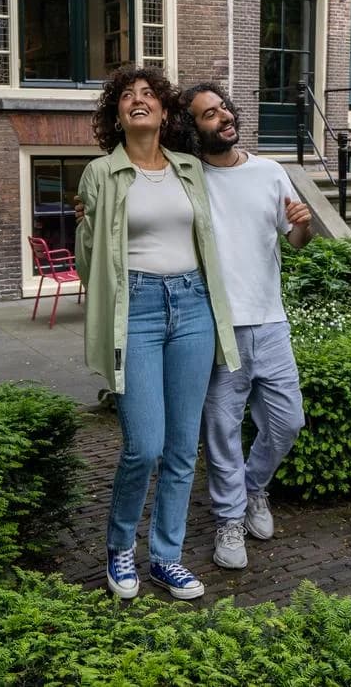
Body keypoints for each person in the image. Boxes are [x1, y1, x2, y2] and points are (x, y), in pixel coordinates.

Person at [75, 65, 238, 601]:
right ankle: (120, 546)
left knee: (180, 447)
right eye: (127, 96)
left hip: (192, 306)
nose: (138, 101)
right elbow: (88, 260)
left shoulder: (190, 168)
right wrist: (85, 224)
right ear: (117, 115)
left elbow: (224, 214)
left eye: (149, 95)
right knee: (142, 447)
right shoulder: (100, 174)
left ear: (165, 112)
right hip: (137, 309)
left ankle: (166, 557)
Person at [178, 83, 313, 571]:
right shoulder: (188, 179)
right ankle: (229, 518)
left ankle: (254, 488)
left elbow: (296, 240)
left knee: (287, 422)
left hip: (271, 322)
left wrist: (303, 221)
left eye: (224, 108)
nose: (223, 117)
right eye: (209, 114)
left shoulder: (270, 171)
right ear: (193, 129)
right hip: (218, 327)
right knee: (221, 430)